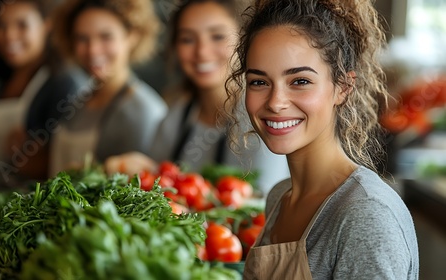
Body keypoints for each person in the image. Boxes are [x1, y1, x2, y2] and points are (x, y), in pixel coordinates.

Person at [223, 0, 419, 278]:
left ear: (343, 87)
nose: (276, 102)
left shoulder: (366, 214)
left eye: (300, 81)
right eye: (259, 82)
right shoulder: (280, 198)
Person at [105, 0, 289, 193]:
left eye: (217, 36)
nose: (202, 52)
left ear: (244, 38)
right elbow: (155, 187)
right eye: (187, 39)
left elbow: (263, 202)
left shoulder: (265, 114)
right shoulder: (176, 115)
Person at [49, 0, 167, 175]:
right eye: (82, 38)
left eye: (106, 37)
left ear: (132, 36)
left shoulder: (143, 110)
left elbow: (137, 190)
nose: (93, 50)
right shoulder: (80, 98)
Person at [0, 0, 87, 182]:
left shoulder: (63, 85)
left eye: (22, 25)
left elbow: (66, 165)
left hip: (25, 202)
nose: (9, 35)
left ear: (46, 25)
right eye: (1, 25)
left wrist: (33, 160)